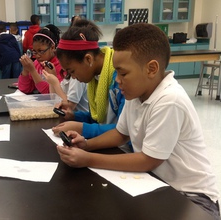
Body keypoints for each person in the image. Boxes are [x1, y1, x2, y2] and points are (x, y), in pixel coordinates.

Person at [56, 23, 220, 219]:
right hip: (158, 185)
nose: (117, 80)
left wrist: (88, 159)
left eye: (123, 73)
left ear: (151, 69)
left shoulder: (169, 101)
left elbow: (148, 160)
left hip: (192, 198)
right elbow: (120, 134)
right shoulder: (137, 93)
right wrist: (86, 144)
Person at [52, 19, 125, 141]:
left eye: (72, 71)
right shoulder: (95, 79)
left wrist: (82, 128)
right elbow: (98, 118)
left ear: (88, 59)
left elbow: (124, 130)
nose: (73, 77)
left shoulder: (120, 80)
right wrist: (74, 116)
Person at [18, 24, 64, 94]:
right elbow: (24, 88)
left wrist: (33, 71)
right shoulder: (37, 63)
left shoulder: (60, 66)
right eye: (34, 51)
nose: (37, 56)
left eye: (41, 51)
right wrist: (26, 69)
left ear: (52, 47)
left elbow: (49, 93)